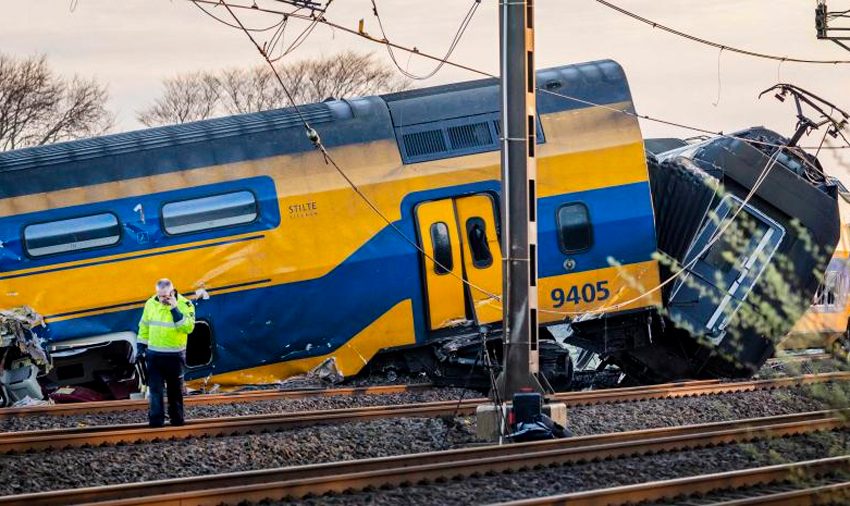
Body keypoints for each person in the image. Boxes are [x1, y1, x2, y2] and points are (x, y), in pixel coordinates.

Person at [137, 278, 195, 427]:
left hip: (175, 356)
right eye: (160, 296)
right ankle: (156, 422)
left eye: (166, 296)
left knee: (175, 391)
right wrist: (140, 348)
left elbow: (188, 328)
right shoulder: (151, 303)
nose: (163, 299)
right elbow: (144, 327)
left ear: (172, 291)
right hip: (154, 355)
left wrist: (174, 309)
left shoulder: (185, 305)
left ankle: (177, 420)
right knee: (155, 391)